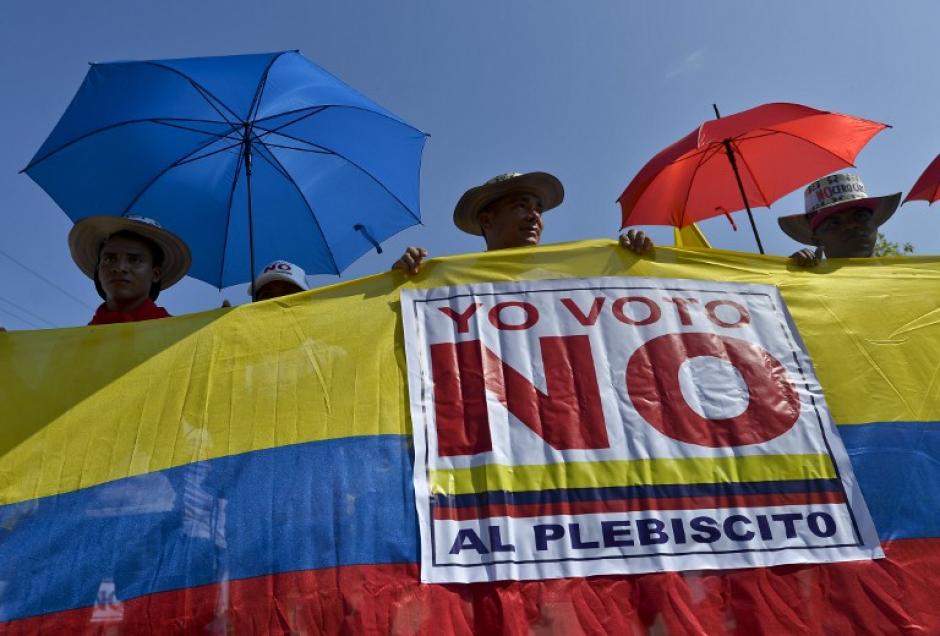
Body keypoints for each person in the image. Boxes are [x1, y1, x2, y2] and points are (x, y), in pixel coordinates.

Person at [393, 171, 653, 274]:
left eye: (538, 209)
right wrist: (400, 284)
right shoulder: (453, 284)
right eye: (521, 206)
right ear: (486, 219)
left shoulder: (567, 278)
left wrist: (634, 263)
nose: (534, 216)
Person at [69, 215, 191, 325]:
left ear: (155, 274)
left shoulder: (180, 335)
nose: (120, 268)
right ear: (98, 270)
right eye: (109, 259)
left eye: (134, 260)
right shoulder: (76, 339)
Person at [778, 173, 901, 267]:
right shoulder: (803, 284)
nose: (851, 225)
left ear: (875, 223)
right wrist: (790, 278)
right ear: (817, 240)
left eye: (861, 216)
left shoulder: (906, 280)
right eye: (834, 223)